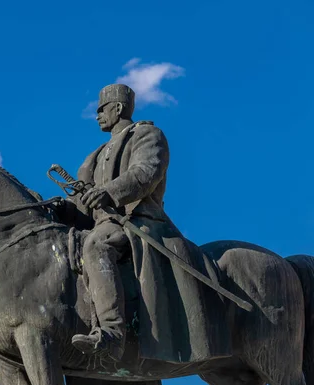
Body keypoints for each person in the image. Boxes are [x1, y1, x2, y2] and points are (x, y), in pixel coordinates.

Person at [64, 83, 230, 363]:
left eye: (101, 109)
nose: (97, 115)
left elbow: (145, 172)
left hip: (137, 221)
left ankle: (112, 334)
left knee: (96, 246)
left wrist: (109, 192)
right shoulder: (94, 156)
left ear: (117, 108)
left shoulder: (147, 135)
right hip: (104, 222)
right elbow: (84, 201)